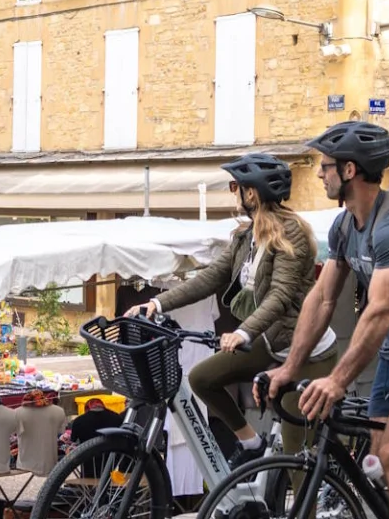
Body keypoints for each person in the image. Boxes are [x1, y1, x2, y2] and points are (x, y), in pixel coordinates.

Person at [262, 121, 389, 519]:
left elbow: (380, 310)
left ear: (349, 170)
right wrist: (289, 367)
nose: (320, 174)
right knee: (375, 459)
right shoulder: (344, 226)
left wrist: (337, 380)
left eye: (325, 166)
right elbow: (322, 298)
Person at [125, 152, 326, 463]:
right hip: (271, 339)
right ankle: (250, 443)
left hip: (306, 349)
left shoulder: (291, 234)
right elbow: (210, 278)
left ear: (253, 192)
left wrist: (243, 333)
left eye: (236, 186)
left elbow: (280, 295)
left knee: (297, 457)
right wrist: (157, 303)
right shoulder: (246, 236)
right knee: (202, 378)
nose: (233, 193)